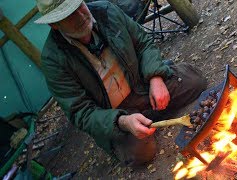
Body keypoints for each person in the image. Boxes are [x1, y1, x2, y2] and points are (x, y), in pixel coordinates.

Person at [35, 0, 207, 166]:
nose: (80, 16)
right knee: (142, 153)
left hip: (141, 87)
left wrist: (156, 78)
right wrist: (123, 121)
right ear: (54, 25)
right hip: (116, 113)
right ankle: (146, 118)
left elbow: (143, 43)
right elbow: (81, 113)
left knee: (196, 81)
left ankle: (153, 109)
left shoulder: (106, 12)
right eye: (69, 15)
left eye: (79, 6)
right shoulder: (53, 60)